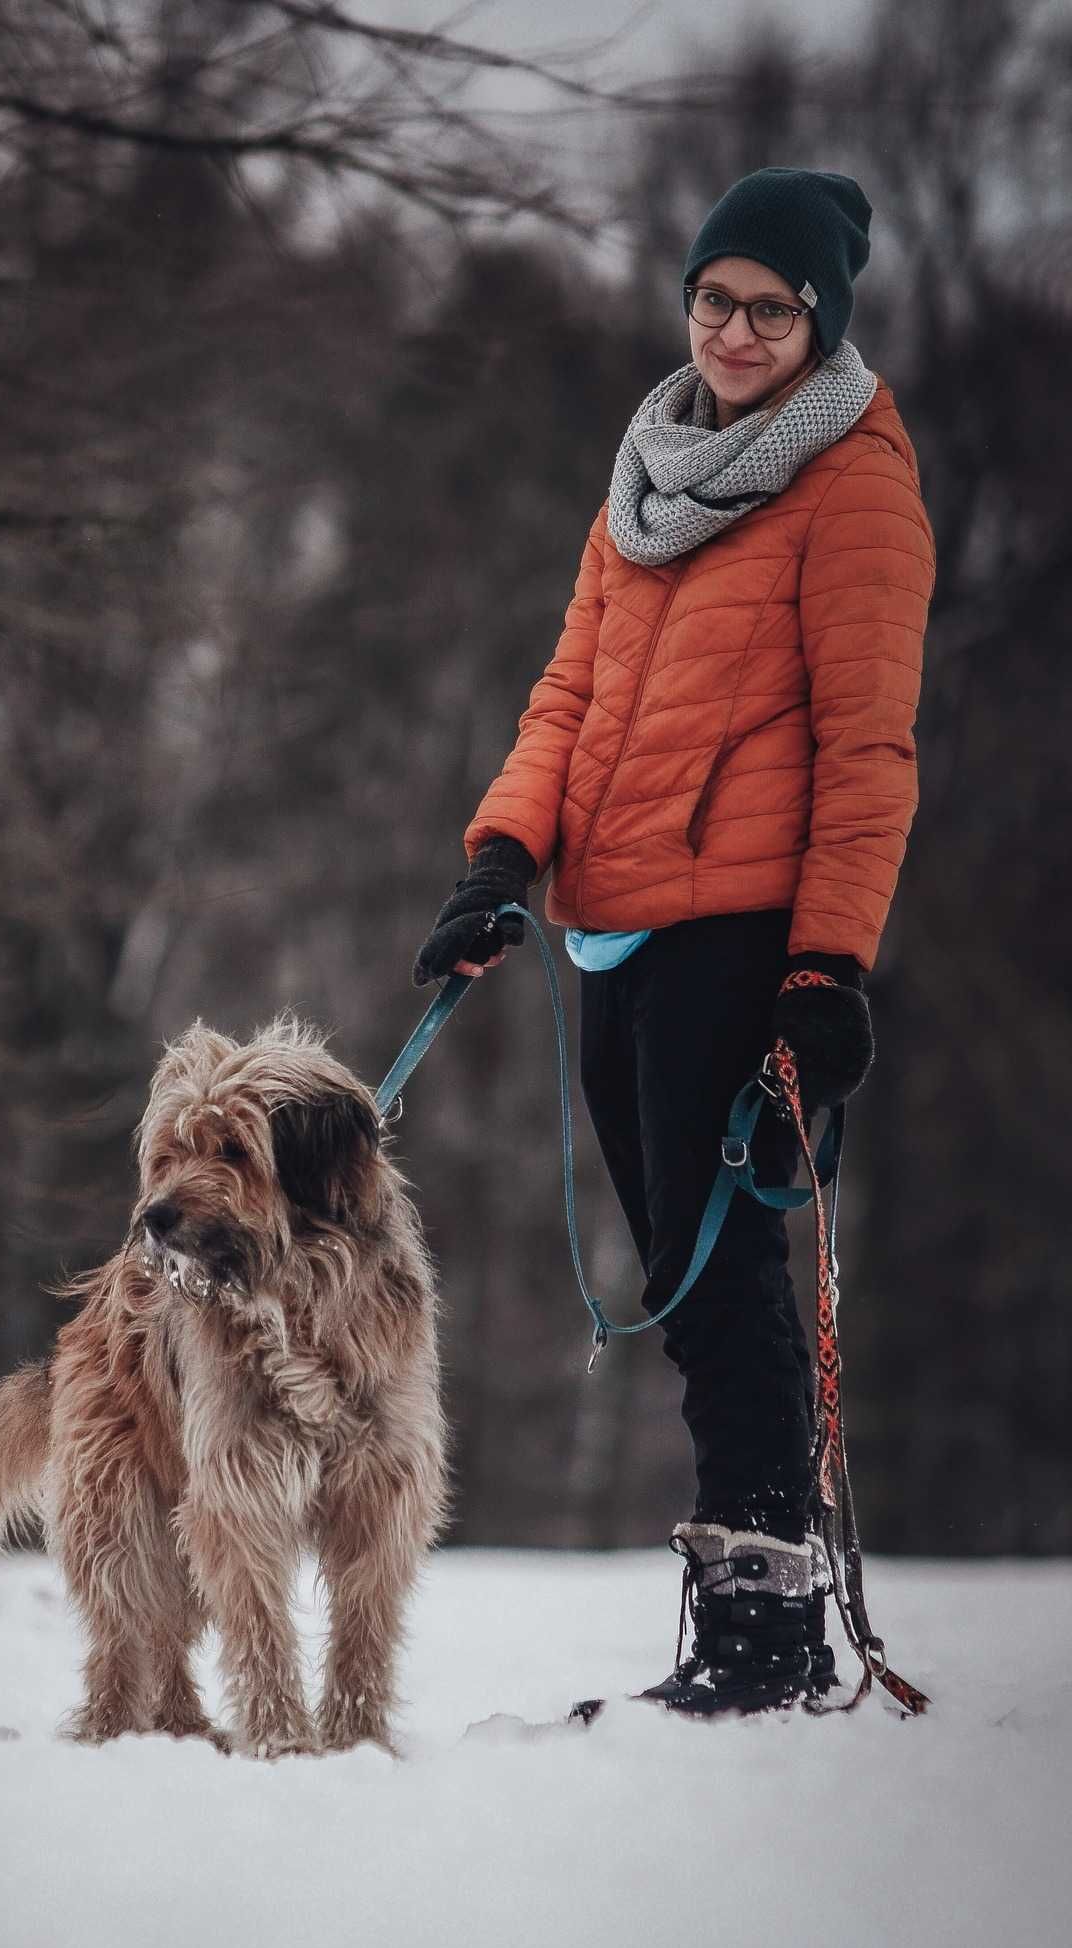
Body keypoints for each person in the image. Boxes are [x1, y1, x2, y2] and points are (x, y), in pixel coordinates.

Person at [413, 167, 937, 1716]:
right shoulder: (649, 470)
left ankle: (769, 1636)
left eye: (772, 309)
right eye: (716, 299)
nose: (736, 331)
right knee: (680, 1284)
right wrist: (503, 859)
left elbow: (868, 756)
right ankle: (746, 1622)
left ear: (820, 321)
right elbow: (568, 700)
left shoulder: (856, 487)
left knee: (720, 1295)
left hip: (743, 938)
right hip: (613, 936)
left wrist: (827, 966)